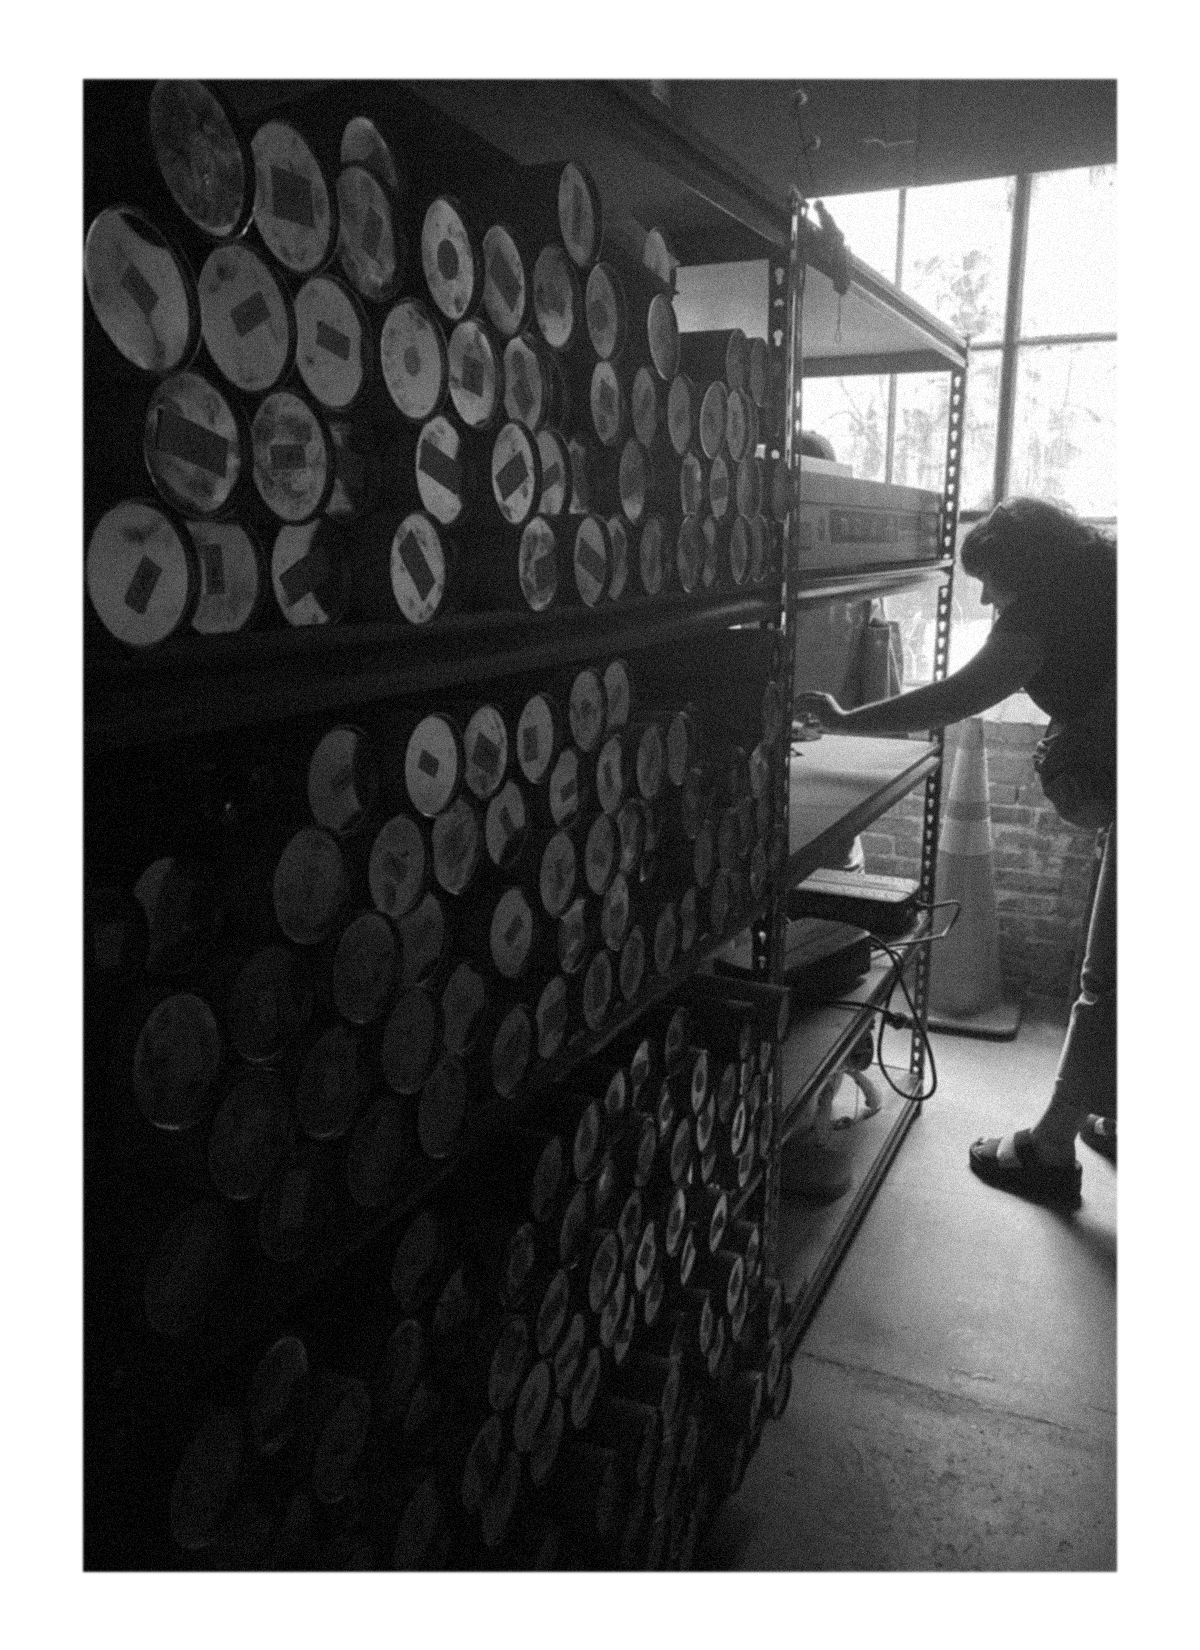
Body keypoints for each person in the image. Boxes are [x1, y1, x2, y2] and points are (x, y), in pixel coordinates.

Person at [795, 497, 1119, 1207]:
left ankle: (1048, 1151)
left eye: (988, 579)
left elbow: (958, 695)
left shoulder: (1040, 613)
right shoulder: (1106, 574)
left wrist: (852, 721)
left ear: (1022, 569)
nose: (981, 594)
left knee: (1109, 975)